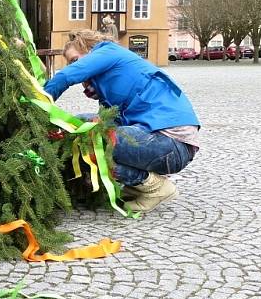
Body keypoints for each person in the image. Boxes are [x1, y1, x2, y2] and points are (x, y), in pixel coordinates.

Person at [44, 30, 200, 213]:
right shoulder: (113, 75)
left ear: (88, 48)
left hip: (171, 142)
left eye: (75, 60)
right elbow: (110, 122)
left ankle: (154, 187)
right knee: (82, 124)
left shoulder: (108, 51)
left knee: (87, 135)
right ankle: (135, 185)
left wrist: (41, 100)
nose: (74, 66)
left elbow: (66, 76)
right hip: (164, 144)